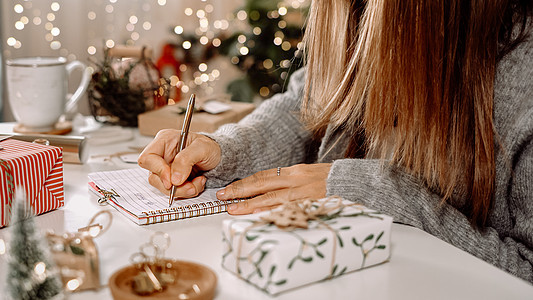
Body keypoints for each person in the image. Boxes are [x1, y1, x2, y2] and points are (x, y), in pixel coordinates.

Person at [138, 0, 533, 283]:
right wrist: (225, 149)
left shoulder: (522, 75)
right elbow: (304, 103)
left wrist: (371, 189)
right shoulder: (361, 15)